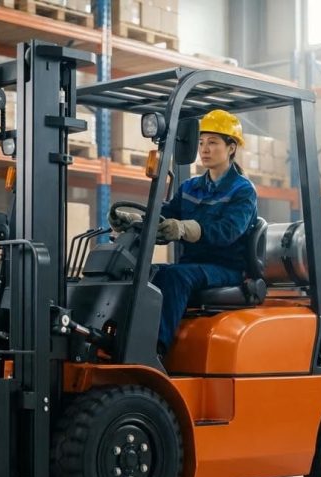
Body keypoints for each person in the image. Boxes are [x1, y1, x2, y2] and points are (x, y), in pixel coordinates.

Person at [109, 109, 258, 356]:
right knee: (147, 274)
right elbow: (166, 213)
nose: (205, 149)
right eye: (201, 143)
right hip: (193, 265)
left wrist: (186, 228)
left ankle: (153, 352)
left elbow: (228, 231)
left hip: (226, 269)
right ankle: (120, 342)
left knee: (176, 277)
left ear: (231, 148)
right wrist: (134, 220)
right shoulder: (191, 186)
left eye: (213, 142)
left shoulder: (243, 190)